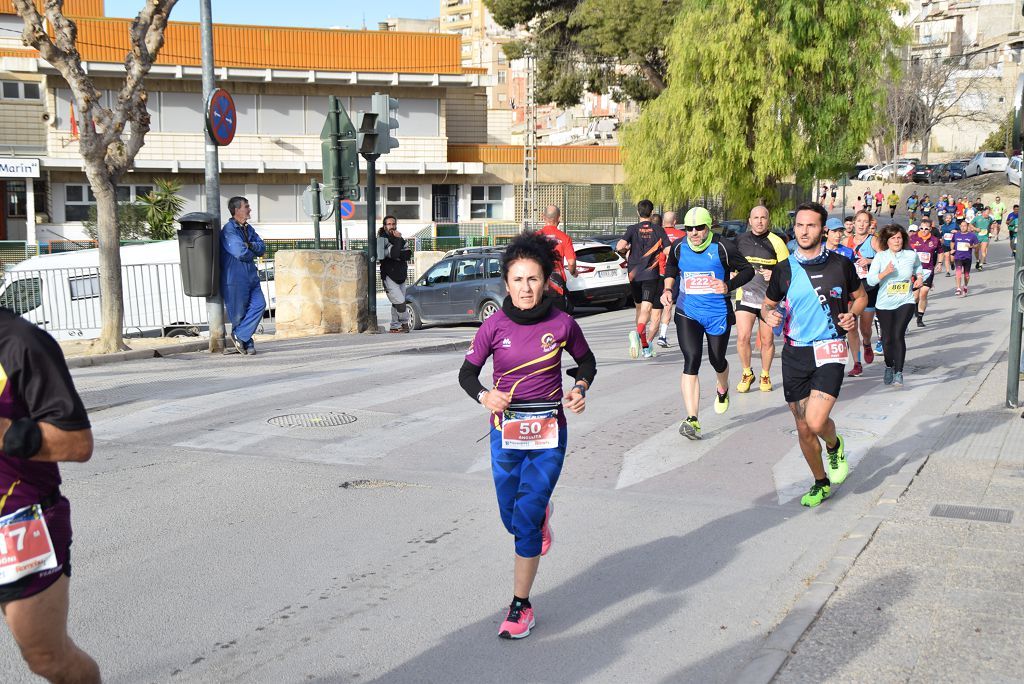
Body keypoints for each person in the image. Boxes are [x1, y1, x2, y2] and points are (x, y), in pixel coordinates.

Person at [459, 232, 596, 640]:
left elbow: (586, 362)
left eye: (533, 279)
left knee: (526, 518)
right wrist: (486, 396)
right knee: (510, 515)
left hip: (549, 431)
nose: (525, 288)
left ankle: (521, 605)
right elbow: (467, 374)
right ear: (506, 283)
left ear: (544, 280)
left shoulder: (562, 323)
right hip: (506, 431)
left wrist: (580, 389)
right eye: (517, 279)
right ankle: (539, 520)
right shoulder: (494, 325)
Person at [0, 308, 100, 683]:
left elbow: (77, 443)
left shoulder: (20, 344)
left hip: (17, 525)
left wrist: (7, 432)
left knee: (47, 658)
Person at [762, 202, 866, 507]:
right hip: (796, 352)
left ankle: (834, 446)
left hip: (830, 347)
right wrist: (769, 316)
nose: (804, 231)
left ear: (822, 230)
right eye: (799, 225)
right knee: (803, 426)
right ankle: (820, 482)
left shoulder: (840, 265)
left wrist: (852, 314)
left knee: (817, 421)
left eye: (811, 226)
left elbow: (859, 298)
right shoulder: (784, 269)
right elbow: (768, 306)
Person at [660, 207, 753, 439]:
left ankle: (723, 389)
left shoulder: (723, 247)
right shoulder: (680, 247)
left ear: (708, 227)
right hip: (687, 311)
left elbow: (747, 270)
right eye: (689, 228)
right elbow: (671, 267)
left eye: (699, 228)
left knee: (716, 359)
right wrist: (668, 289)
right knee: (691, 360)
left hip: (717, 313)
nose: (693, 233)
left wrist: (728, 286)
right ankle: (692, 419)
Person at [733, 205, 789, 393]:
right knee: (743, 337)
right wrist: (733, 274)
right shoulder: (740, 240)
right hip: (745, 295)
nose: (759, 221)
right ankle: (747, 372)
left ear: (768, 220)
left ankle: (765, 374)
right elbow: (731, 264)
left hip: (769, 299)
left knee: (767, 340)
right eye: (755, 218)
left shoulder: (777, 242)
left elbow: (788, 272)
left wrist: (773, 274)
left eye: (763, 218)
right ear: (749, 221)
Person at [868, 224, 926, 387]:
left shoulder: (910, 254)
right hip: (884, 303)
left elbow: (918, 267)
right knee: (887, 339)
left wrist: (919, 277)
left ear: (903, 239)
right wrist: (885, 272)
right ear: (887, 240)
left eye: (899, 237)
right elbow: (871, 280)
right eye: (893, 238)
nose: (897, 241)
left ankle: (899, 373)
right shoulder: (880, 257)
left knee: (898, 334)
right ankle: (888, 366)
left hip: (905, 300)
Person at [617, 199, 669, 359]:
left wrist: (626, 250)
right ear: (652, 213)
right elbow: (668, 250)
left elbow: (619, 246)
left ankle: (644, 345)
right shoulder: (658, 230)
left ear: (638, 213)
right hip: (650, 275)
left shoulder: (632, 229)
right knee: (647, 310)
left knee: (639, 309)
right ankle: (637, 334)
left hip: (633, 275)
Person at [221, 196, 267, 355]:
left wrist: (250, 246)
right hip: (235, 278)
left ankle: (239, 335)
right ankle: (247, 343)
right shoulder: (229, 229)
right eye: (246, 206)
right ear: (236, 210)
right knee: (239, 313)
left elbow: (262, 248)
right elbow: (239, 252)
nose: (249, 209)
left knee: (260, 304)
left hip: (251, 276)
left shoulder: (248, 228)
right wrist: (251, 250)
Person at [843, 210, 879, 376]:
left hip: (868, 288)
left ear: (870, 224)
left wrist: (869, 261)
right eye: (859, 221)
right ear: (854, 223)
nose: (862, 224)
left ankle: (867, 342)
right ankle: (857, 363)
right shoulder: (845, 241)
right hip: (849, 288)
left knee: (865, 328)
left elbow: (886, 258)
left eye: (866, 222)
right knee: (851, 325)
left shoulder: (874, 241)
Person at [536, 205, 577, 313]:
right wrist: (573, 272)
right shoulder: (564, 238)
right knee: (558, 318)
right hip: (556, 282)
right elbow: (571, 262)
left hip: (537, 281)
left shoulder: (535, 237)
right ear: (559, 218)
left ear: (543, 217)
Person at [377, 216, 413, 333]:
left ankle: (394, 326)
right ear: (384, 226)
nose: (392, 226)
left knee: (395, 302)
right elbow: (394, 254)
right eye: (389, 224)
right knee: (401, 302)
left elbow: (408, 254)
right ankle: (404, 323)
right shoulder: (382, 240)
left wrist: (398, 253)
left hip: (401, 275)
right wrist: (397, 251)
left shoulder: (400, 238)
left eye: (393, 224)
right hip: (389, 276)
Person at [655, 211, 686, 348]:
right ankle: (663, 335)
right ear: (675, 222)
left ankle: (649, 335)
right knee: (674, 304)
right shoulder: (683, 236)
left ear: (663, 222)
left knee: (655, 307)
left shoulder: (657, 234)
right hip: (675, 274)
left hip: (658, 273)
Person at [909, 220, 941, 328]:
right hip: (914, 271)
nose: (923, 230)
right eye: (921, 228)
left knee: (924, 293)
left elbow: (940, 252)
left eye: (926, 228)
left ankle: (920, 318)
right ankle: (915, 308)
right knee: (915, 296)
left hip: (928, 270)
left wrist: (940, 263)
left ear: (930, 229)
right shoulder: (913, 239)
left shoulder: (935, 240)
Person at [951, 219, 980, 297]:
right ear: (960, 227)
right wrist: (952, 249)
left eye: (965, 226)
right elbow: (952, 242)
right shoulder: (956, 234)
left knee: (966, 275)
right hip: (958, 257)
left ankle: (965, 287)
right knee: (958, 272)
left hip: (967, 257)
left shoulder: (972, 235)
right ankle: (958, 288)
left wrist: (971, 246)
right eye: (962, 226)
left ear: (967, 227)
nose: (963, 227)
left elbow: (977, 244)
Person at [971, 206, 992, 270]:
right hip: (977, 237)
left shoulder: (990, 219)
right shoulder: (977, 218)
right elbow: (970, 224)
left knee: (983, 250)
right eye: (987, 213)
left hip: (985, 237)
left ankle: (980, 265)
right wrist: (975, 228)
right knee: (976, 251)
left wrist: (989, 233)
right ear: (983, 212)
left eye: (989, 213)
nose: (988, 214)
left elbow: (989, 226)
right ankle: (978, 260)